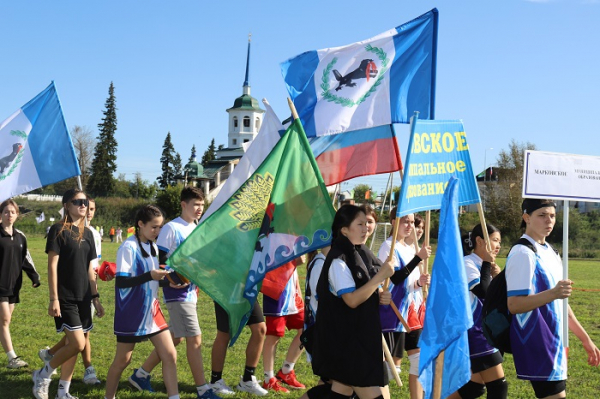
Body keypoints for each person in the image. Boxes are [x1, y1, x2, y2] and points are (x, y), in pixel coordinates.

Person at [130, 187, 221, 399]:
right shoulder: (171, 228)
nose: (200, 209)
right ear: (183, 204)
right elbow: (159, 261)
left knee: (177, 337)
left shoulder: (196, 226)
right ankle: (203, 389)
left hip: (191, 292)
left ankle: (141, 375)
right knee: (195, 339)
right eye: (195, 205)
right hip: (176, 293)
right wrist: (170, 280)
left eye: (202, 205)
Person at [505, 199, 600, 399]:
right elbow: (514, 305)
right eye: (542, 215)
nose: (549, 220)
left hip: (556, 340)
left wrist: (585, 339)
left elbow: (562, 304)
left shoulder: (552, 252)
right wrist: (553, 293)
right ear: (526, 217)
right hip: (538, 340)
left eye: (553, 216)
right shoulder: (523, 252)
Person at [312, 205, 396, 399]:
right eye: (359, 224)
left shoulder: (359, 253)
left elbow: (365, 291)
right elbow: (351, 300)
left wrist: (380, 296)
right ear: (344, 229)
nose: (365, 227)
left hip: (356, 340)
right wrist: (380, 277)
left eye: (367, 223)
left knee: (340, 392)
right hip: (348, 344)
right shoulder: (338, 260)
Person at [33, 189, 104, 399]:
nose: (83, 205)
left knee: (72, 347)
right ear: (66, 205)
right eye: (77, 202)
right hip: (65, 297)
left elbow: (90, 270)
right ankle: (43, 375)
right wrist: (53, 298)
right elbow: (52, 266)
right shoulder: (57, 230)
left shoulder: (89, 233)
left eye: (85, 202)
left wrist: (95, 298)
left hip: (84, 298)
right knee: (77, 343)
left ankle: (63, 392)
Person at [104, 204, 180, 399]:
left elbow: (152, 280)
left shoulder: (153, 246)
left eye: (160, 227)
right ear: (140, 224)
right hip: (131, 312)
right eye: (154, 227)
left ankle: (174, 397)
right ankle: (108, 397)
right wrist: (150, 276)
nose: (158, 231)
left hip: (152, 311)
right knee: (123, 361)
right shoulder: (128, 247)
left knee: (170, 354)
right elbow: (121, 282)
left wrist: (169, 283)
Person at [448, 223, 507, 399]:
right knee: (498, 387)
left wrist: (497, 276)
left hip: (487, 333)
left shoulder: (484, 266)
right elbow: (483, 292)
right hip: (476, 334)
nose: (498, 245)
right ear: (479, 241)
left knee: (473, 388)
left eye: (499, 242)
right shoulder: (467, 263)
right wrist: (487, 265)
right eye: (495, 240)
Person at [378, 208, 431, 399]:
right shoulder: (388, 246)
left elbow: (408, 283)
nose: (410, 226)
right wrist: (418, 258)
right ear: (393, 222)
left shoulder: (409, 248)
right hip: (394, 313)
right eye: (405, 221)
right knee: (389, 368)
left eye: (411, 222)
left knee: (418, 360)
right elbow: (394, 278)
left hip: (413, 311)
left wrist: (420, 283)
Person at [0, 199, 40, 369]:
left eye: (13, 212)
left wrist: (34, 276)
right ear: (1, 215)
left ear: (17, 215)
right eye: (6, 212)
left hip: (14, 285)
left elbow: (25, 259)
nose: (10, 215)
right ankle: (12, 358)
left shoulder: (20, 236)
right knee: (4, 320)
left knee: (4, 322)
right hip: (0, 285)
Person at [261, 256, 306, 393]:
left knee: (306, 329)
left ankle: (286, 370)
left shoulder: (291, 234)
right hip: (277, 289)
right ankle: (268, 379)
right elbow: (299, 260)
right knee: (274, 335)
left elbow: (298, 262)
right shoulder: (273, 235)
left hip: (292, 290)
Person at [209, 304, 268, 395]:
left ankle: (247, 380)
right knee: (224, 334)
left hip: (248, 292)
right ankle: (215, 382)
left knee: (260, 329)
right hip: (225, 293)